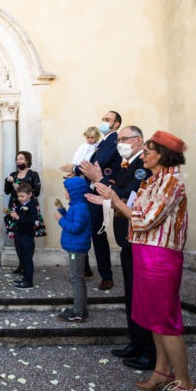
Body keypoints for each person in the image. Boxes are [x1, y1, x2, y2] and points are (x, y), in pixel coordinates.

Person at [87, 131, 193, 391]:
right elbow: (133, 209)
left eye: (147, 151)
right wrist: (109, 201)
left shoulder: (172, 181)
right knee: (152, 316)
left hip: (161, 256)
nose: (142, 156)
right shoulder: (153, 179)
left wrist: (113, 199)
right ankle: (161, 371)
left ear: (163, 155)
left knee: (166, 319)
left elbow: (144, 219)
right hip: (144, 251)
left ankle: (184, 384)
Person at [107, 126, 156, 371]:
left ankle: (148, 351)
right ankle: (135, 342)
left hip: (137, 236)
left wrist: (103, 184)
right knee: (131, 295)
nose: (119, 143)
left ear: (139, 140)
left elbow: (128, 197)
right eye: (117, 140)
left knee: (141, 296)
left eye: (123, 139)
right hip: (127, 238)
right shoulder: (126, 164)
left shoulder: (142, 167)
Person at [73, 111, 122, 289]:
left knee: (98, 233)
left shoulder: (113, 140)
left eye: (107, 120)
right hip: (89, 189)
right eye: (103, 119)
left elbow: (98, 163)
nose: (103, 122)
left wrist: (75, 168)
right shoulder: (102, 142)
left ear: (116, 124)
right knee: (83, 228)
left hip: (100, 192)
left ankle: (106, 275)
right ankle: (85, 268)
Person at [55, 175, 92, 321]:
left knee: (76, 279)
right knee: (78, 278)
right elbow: (73, 220)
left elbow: (75, 227)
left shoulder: (80, 207)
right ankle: (81, 308)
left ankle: (78, 312)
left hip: (76, 249)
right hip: (76, 247)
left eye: (66, 191)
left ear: (74, 192)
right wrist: (63, 211)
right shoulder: (77, 206)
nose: (65, 193)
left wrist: (60, 219)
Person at [4, 151, 41, 275]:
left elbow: (37, 191)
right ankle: (21, 263)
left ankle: (27, 263)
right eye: (17, 159)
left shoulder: (33, 174)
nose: (18, 161)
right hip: (14, 207)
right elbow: (6, 191)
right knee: (17, 237)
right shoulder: (13, 175)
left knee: (27, 236)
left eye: (21, 159)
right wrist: (7, 181)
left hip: (28, 208)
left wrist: (20, 185)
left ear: (27, 161)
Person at [7, 182, 39, 290]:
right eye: (18, 196)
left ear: (29, 195)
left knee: (27, 259)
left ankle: (28, 281)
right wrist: (11, 214)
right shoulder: (21, 206)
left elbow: (30, 222)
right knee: (22, 258)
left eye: (22, 196)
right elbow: (17, 216)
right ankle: (24, 279)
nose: (20, 198)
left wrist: (18, 217)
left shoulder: (32, 206)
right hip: (20, 235)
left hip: (27, 237)